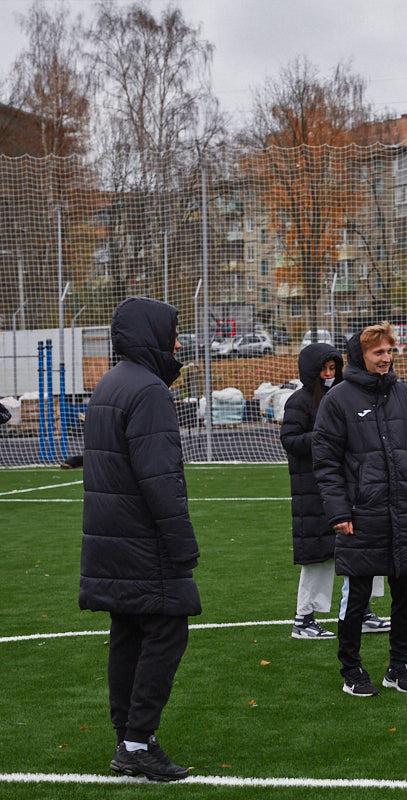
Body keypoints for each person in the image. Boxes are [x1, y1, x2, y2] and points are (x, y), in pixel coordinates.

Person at [79, 297, 199, 781]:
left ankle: (127, 736)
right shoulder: (148, 391)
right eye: (171, 332)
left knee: (128, 633)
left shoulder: (111, 382)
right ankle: (135, 742)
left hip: (113, 539)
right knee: (167, 630)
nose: (176, 342)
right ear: (151, 335)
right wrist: (182, 544)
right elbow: (160, 479)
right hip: (143, 541)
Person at [313, 323, 407, 697]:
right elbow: (326, 463)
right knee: (357, 597)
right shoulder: (337, 401)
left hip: (402, 511)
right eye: (378, 353)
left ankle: (398, 666)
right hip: (360, 514)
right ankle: (352, 670)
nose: (386, 359)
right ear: (360, 356)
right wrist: (339, 513)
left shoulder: (405, 396)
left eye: (389, 352)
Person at [280, 343, 389, 639]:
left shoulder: (346, 396)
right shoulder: (299, 401)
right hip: (313, 489)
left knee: (364, 546)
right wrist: (325, 436)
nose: (328, 375)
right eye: (323, 370)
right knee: (319, 555)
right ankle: (303, 619)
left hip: (351, 484)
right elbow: (290, 440)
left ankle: (361, 609)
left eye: (333, 369)